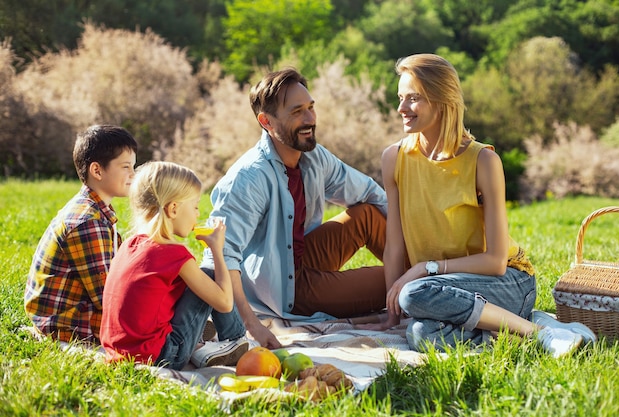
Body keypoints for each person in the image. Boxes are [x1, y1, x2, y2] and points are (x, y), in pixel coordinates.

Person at [364, 53, 596, 358]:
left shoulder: (483, 161)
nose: (401, 108)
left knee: (415, 292)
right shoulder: (394, 158)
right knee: (420, 334)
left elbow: (496, 261)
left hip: (507, 284)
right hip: (443, 290)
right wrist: (393, 316)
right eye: (400, 97)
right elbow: (394, 245)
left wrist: (424, 269)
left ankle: (539, 331)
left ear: (442, 100)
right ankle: (521, 330)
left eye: (413, 98)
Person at [200, 68, 388, 348]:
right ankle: (429, 287)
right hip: (285, 290)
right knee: (393, 281)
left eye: (311, 108)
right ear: (266, 121)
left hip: (304, 259)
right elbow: (220, 254)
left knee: (368, 214)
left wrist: (426, 252)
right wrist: (251, 325)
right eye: (296, 112)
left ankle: (433, 277)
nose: (310, 119)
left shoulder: (313, 157)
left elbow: (371, 193)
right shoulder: (250, 176)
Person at [100, 161, 249, 370]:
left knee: (183, 285)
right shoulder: (174, 254)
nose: (198, 214)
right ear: (173, 209)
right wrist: (217, 249)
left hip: (120, 352)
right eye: (195, 206)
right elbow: (224, 302)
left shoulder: (129, 245)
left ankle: (197, 335)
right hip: (165, 355)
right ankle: (235, 339)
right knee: (209, 274)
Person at [24, 125, 138, 344]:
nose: (133, 174)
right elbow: (109, 298)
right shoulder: (88, 222)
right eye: (125, 167)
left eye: (133, 166)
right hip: (66, 323)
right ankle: (186, 339)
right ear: (97, 170)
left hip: (72, 310)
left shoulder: (95, 209)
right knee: (152, 317)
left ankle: (184, 329)